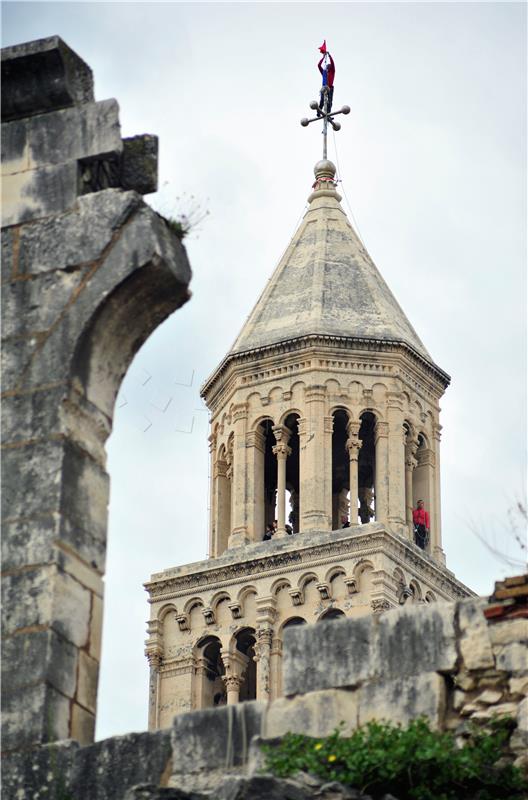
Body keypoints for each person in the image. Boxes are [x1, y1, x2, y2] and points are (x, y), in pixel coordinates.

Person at [318, 48, 335, 114]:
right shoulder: (324, 72)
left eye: (329, 66)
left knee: (330, 101)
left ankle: (328, 114)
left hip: (330, 88)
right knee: (322, 100)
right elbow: (319, 65)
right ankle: (319, 112)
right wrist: (323, 58)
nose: (328, 66)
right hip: (324, 87)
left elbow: (332, 63)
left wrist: (329, 56)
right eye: (327, 66)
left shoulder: (332, 71)